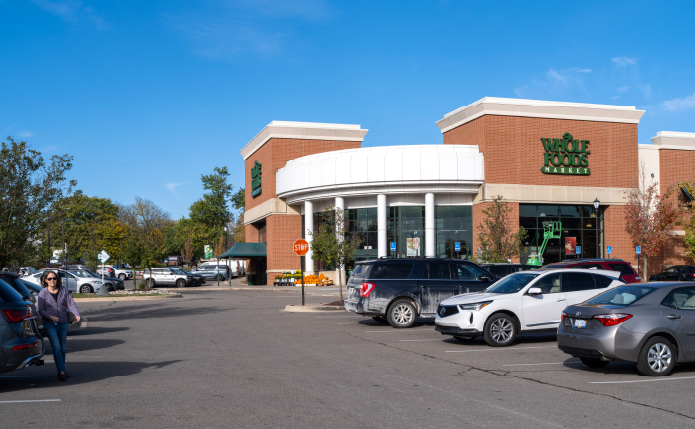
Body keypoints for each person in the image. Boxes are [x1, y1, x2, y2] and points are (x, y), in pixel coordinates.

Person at [37, 270, 81, 381]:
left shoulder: (63, 290)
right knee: (56, 347)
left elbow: (71, 303)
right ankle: (61, 371)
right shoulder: (43, 292)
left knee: (62, 348)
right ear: (46, 280)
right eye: (50, 279)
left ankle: (62, 369)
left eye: (54, 278)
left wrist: (77, 315)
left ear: (58, 279)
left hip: (62, 323)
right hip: (49, 324)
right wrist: (50, 317)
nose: (52, 280)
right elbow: (41, 310)